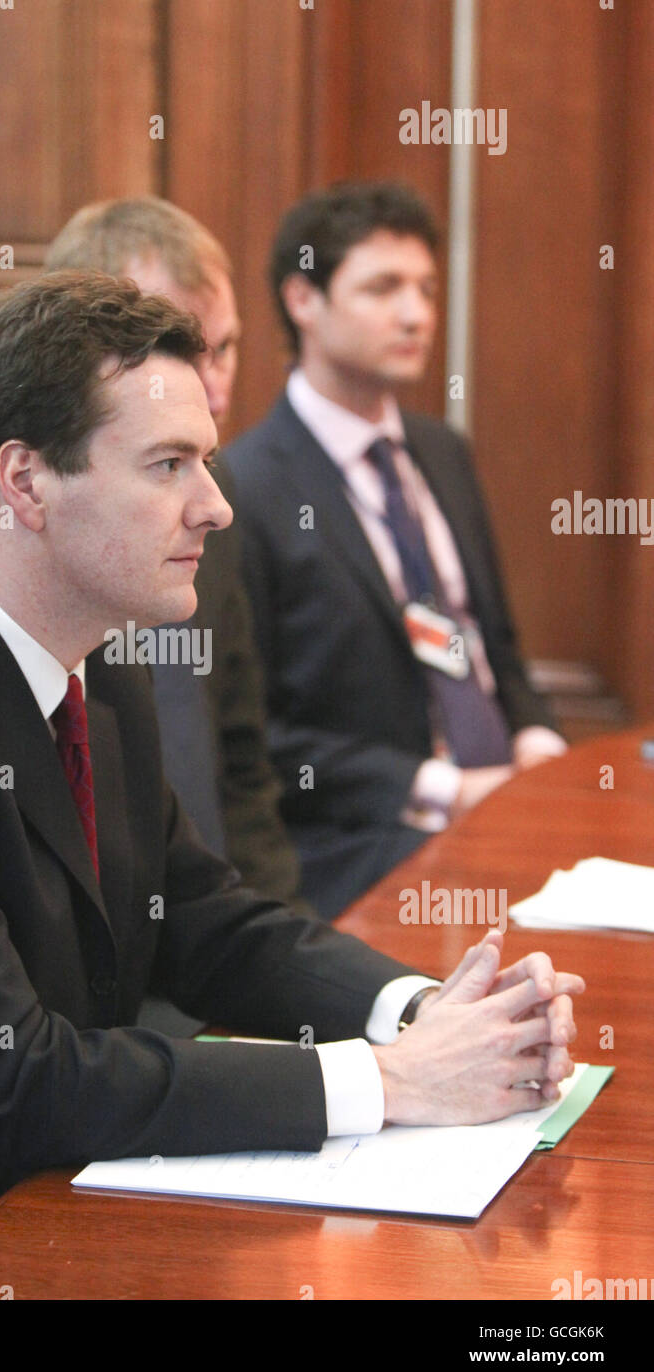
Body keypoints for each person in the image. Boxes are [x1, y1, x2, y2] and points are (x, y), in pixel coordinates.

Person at [0, 273, 581, 1299]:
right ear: (26, 483)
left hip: (26, 1201)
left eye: (207, 459)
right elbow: (16, 1076)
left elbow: (199, 916)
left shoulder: (93, 656)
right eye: (167, 464)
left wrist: (418, 1012)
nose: (217, 503)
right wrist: (388, 1084)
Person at [0, 196, 304, 918]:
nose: (210, 383)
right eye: (169, 350)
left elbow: (242, 769)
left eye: (221, 348)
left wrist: (385, 1004)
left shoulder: (125, 638)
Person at [223, 183, 568, 919]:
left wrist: (535, 737)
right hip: (362, 843)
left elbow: (493, 643)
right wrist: (442, 787)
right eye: (383, 288)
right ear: (303, 300)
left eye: (425, 288)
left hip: (509, 805)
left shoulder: (441, 452)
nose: (416, 314)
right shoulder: (239, 490)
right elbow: (253, 734)